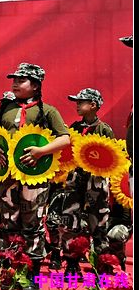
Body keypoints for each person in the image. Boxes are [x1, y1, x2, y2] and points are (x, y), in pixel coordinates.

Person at [0, 63, 70, 290]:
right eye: (14, 80)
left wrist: (41, 151)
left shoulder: (48, 111)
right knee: (9, 224)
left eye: (21, 80)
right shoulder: (6, 108)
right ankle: (13, 272)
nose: (15, 84)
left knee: (32, 224)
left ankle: (33, 275)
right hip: (7, 178)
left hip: (34, 178)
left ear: (35, 85)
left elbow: (64, 139)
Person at [52, 88, 114, 276]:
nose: (77, 105)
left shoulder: (104, 130)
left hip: (96, 182)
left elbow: (112, 157)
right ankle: (71, 263)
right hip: (75, 181)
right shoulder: (74, 128)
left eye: (81, 102)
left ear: (93, 105)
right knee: (69, 221)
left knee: (99, 224)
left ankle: (102, 264)